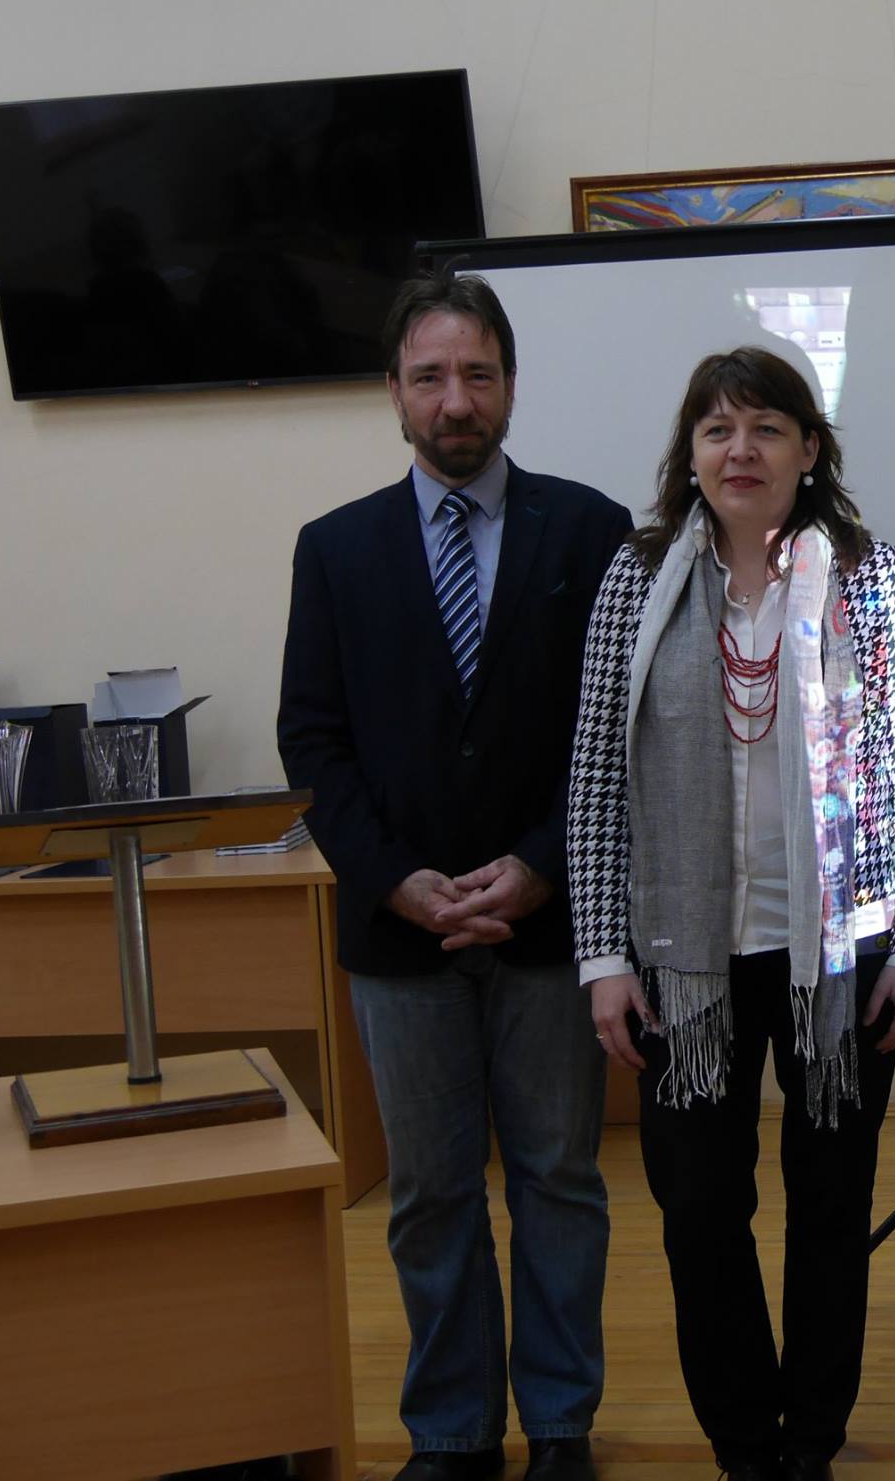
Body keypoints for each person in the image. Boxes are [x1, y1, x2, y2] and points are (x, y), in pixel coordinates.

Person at [568, 346, 895, 1481]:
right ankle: (744, 1445)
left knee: (831, 1206)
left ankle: (811, 1441)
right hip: (683, 957)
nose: (741, 450)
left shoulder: (871, 576)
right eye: (717, 429)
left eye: (767, 428)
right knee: (698, 1208)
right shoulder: (636, 576)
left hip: (838, 951)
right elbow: (596, 774)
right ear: (689, 453)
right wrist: (601, 954)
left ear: (809, 451)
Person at [278, 268, 630, 1481]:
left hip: (550, 923)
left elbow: (616, 731)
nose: (455, 398)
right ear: (393, 392)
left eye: (477, 373)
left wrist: (537, 867)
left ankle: (562, 1427)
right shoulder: (334, 549)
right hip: (401, 934)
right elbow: (311, 741)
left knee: (559, 1180)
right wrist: (397, 881)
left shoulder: (589, 531)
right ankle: (452, 1432)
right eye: (429, 375)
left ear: (511, 386)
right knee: (429, 1190)